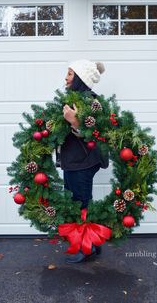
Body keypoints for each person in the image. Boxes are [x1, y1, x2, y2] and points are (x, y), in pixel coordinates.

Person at [58, 59, 108, 263]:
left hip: (84, 161)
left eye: (70, 74)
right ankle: (93, 244)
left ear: (80, 78)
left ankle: (85, 248)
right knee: (76, 201)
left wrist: (75, 122)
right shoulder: (72, 99)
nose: (66, 77)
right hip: (73, 161)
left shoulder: (91, 101)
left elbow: (98, 132)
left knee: (81, 203)